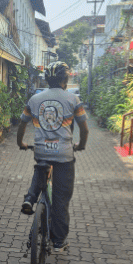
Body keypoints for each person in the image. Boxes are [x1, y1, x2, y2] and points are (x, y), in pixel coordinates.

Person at [16, 62, 87, 252]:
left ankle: (31, 198)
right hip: (64, 154)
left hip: (41, 151)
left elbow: (22, 125)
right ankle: (58, 241)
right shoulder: (74, 99)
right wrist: (81, 145)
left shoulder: (34, 99)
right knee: (61, 200)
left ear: (47, 79)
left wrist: (20, 143)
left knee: (41, 169)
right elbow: (84, 128)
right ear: (65, 79)